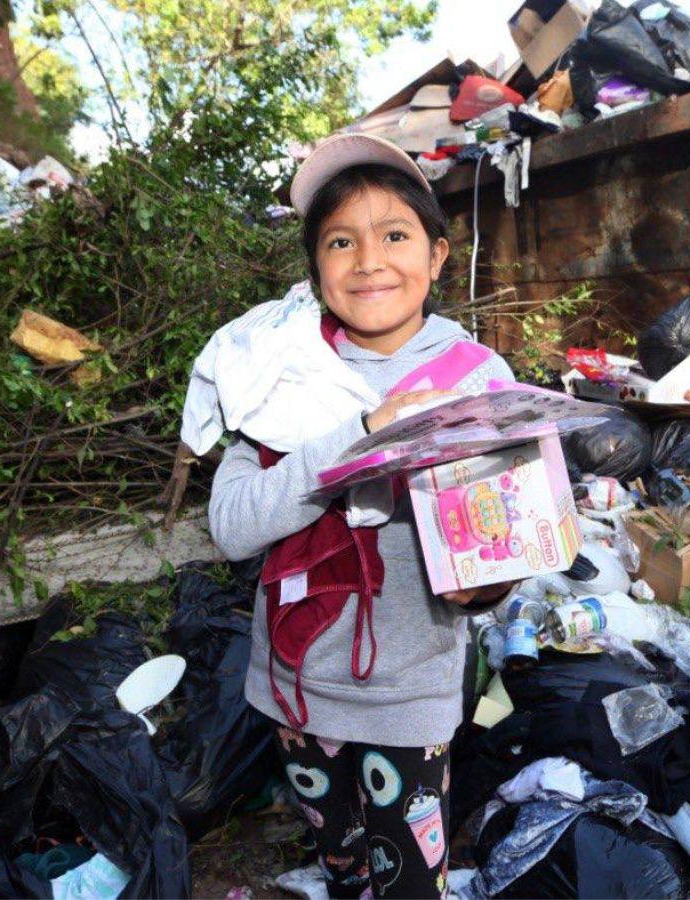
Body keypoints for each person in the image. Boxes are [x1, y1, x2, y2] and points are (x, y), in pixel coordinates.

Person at [208, 133, 517, 899]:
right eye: (340, 241)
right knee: (342, 867)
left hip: (410, 692)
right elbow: (233, 525)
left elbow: (502, 539)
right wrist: (358, 438)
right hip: (292, 684)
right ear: (316, 269)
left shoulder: (476, 380)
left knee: (410, 883)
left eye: (395, 235)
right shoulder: (275, 374)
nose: (368, 260)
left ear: (438, 256)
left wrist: (490, 586)